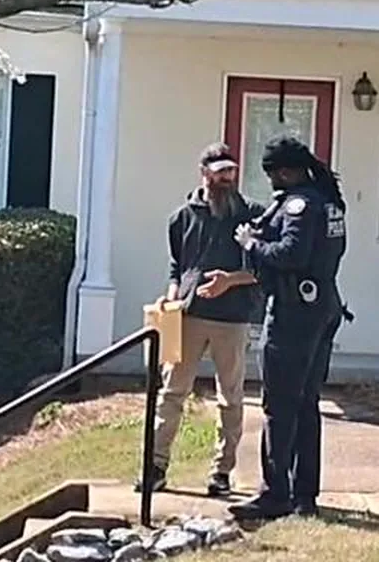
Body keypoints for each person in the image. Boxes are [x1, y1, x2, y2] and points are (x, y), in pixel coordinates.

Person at [135, 142, 269, 498]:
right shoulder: (181, 218)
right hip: (187, 316)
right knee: (171, 393)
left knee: (230, 397)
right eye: (220, 171)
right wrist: (171, 295)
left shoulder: (253, 215)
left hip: (233, 318)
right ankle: (155, 467)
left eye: (231, 171)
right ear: (204, 173)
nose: (227, 178)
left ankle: (222, 472)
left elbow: (263, 268)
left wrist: (230, 281)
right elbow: (177, 268)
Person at [227, 134, 349, 521]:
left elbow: (291, 254)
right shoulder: (327, 202)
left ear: (282, 172)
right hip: (322, 306)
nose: (271, 182)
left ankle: (276, 492)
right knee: (306, 403)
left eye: (272, 174)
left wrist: (252, 244)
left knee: (280, 405)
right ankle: (304, 494)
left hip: (294, 312)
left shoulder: (299, 205)